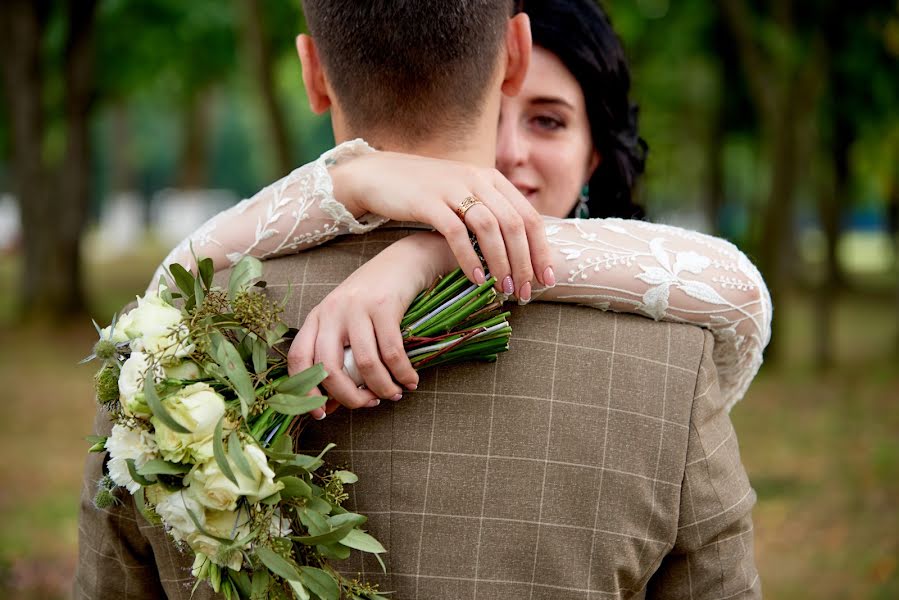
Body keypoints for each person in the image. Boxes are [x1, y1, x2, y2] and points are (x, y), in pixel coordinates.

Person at [75, 1, 763, 598]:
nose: (515, 156)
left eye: (551, 124)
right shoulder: (672, 364)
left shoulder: (166, 351)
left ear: (312, 72)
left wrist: (365, 204)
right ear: (514, 56)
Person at [147, 0, 770, 416]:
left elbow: (740, 289)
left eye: (548, 121)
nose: (505, 152)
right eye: (495, 113)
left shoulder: (668, 348)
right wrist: (351, 181)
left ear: (596, 155)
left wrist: (432, 252)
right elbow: (171, 283)